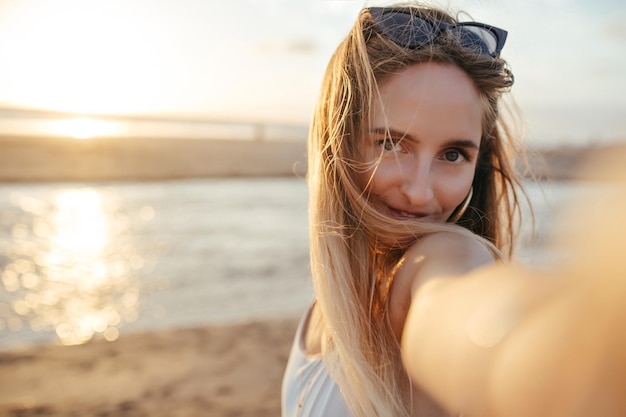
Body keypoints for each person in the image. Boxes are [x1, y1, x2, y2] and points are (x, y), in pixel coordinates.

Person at [282, 3, 626, 417]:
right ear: (338, 143)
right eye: (391, 144)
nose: (419, 191)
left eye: (453, 154)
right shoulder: (322, 310)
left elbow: (457, 311)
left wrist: (562, 354)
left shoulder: (438, 260)